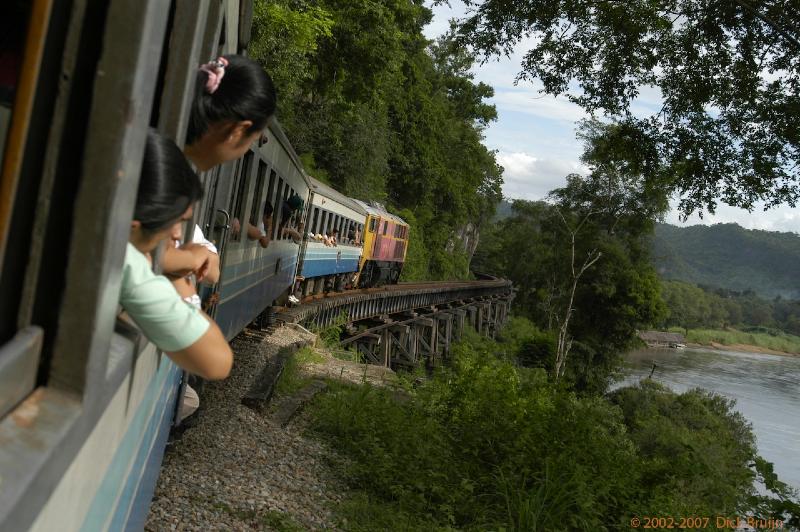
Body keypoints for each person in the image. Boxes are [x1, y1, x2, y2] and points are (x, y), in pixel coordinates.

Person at [121, 129, 233, 381]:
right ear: (137, 221)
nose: (176, 235)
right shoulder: (126, 263)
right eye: (176, 222)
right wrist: (179, 271)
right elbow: (217, 362)